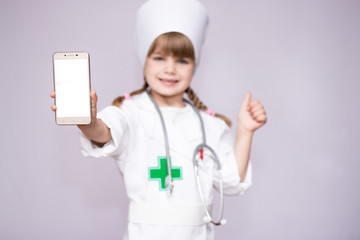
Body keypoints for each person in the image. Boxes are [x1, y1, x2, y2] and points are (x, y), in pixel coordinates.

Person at [51, 0, 267, 239]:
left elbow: (232, 183)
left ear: (195, 66)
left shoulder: (211, 125)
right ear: (144, 63)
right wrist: (88, 121)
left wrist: (245, 132)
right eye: (159, 58)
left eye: (182, 60)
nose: (171, 69)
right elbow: (105, 132)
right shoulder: (130, 112)